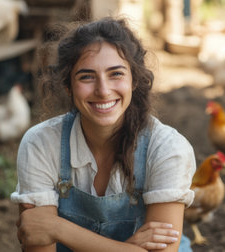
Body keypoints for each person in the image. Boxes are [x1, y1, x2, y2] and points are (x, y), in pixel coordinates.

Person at [11, 17, 196, 251]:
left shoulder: (167, 148)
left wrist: (60, 229)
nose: (103, 90)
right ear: (68, 85)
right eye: (86, 76)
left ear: (134, 80)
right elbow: (37, 243)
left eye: (116, 74)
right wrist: (129, 248)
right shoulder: (41, 144)